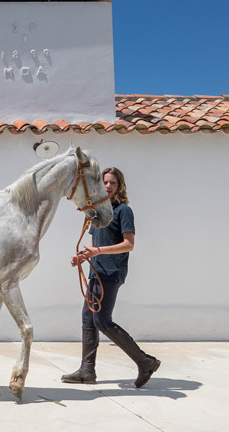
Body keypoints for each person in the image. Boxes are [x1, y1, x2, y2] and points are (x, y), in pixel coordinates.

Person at [61, 166, 160, 387]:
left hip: (111, 272)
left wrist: (98, 252)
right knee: (88, 317)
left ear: (119, 186)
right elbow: (95, 243)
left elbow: (129, 244)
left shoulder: (124, 211)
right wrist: (83, 255)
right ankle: (87, 371)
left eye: (112, 183)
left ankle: (145, 362)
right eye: (105, 182)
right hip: (96, 271)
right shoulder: (98, 212)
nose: (108, 186)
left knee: (102, 320)